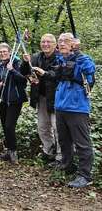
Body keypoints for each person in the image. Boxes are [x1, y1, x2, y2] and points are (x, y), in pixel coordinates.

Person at [33, 33, 96, 188]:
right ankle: (67, 165)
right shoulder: (62, 60)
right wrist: (44, 74)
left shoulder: (82, 59)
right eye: (59, 41)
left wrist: (79, 52)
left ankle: (85, 175)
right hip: (61, 106)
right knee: (64, 140)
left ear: (73, 43)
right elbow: (55, 76)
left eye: (65, 41)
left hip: (77, 108)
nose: (61, 44)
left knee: (82, 143)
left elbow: (90, 70)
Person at [20, 34, 60, 164]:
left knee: (57, 127)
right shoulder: (37, 57)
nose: (45, 44)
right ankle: (48, 151)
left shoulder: (60, 58)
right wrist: (26, 63)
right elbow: (24, 72)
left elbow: (57, 75)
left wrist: (44, 73)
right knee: (43, 127)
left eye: (49, 42)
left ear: (55, 44)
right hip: (41, 97)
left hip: (56, 98)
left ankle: (61, 156)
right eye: (43, 42)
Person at [0, 43, 28, 164]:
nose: (2, 54)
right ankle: (8, 150)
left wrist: (12, 70)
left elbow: (23, 80)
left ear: (9, 52)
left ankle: (13, 152)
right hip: (3, 99)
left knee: (9, 126)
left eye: (4, 51)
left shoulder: (16, 63)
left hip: (15, 100)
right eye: (0, 52)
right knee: (4, 125)